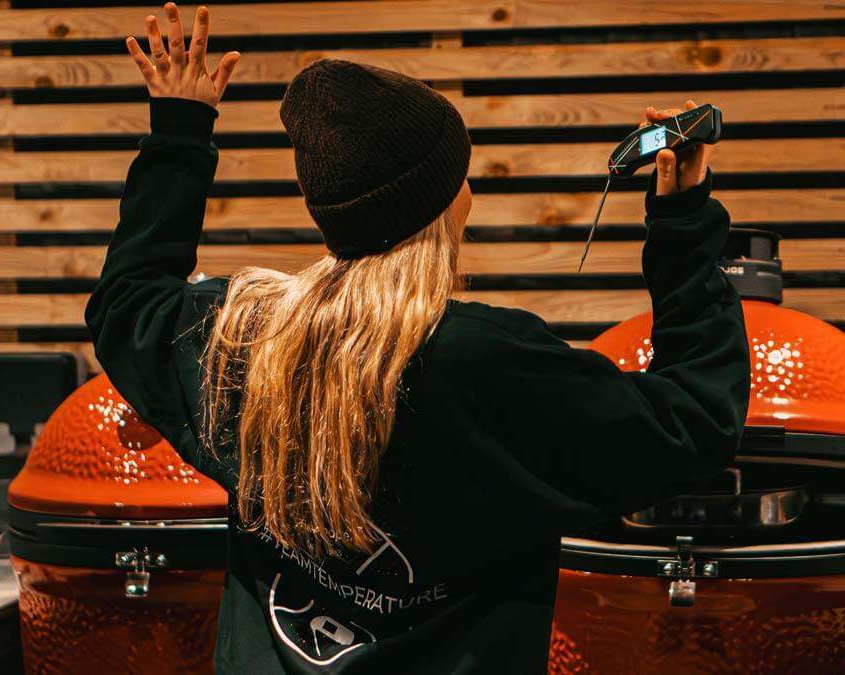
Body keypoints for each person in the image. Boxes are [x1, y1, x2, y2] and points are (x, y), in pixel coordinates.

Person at [85, 3, 751, 674]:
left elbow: (125, 300)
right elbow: (695, 421)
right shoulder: (488, 362)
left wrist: (179, 130)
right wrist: (682, 225)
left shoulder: (241, 338)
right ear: (440, 202)